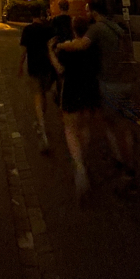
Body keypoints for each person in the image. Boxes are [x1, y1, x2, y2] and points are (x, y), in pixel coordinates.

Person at [57, 2, 137, 195]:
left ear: (94, 12)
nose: (86, 13)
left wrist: (59, 45)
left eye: (87, 10)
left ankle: (125, 169)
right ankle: (124, 163)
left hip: (110, 83)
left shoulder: (97, 29)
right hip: (128, 81)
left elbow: (80, 45)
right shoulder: (118, 28)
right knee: (123, 126)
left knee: (111, 125)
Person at [48, 16, 101, 198]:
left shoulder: (68, 49)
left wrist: (51, 53)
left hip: (72, 89)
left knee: (70, 129)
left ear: (73, 29)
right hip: (90, 89)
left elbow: (60, 70)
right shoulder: (93, 48)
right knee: (85, 127)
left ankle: (79, 167)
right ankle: (82, 160)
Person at [18, 4, 54, 152]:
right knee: (44, 93)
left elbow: (24, 51)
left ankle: (42, 127)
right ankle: (42, 120)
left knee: (38, 95)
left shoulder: (28, 30)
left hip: (34, 65)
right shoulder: (48, 29)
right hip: (48, 65)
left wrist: (20, 66)